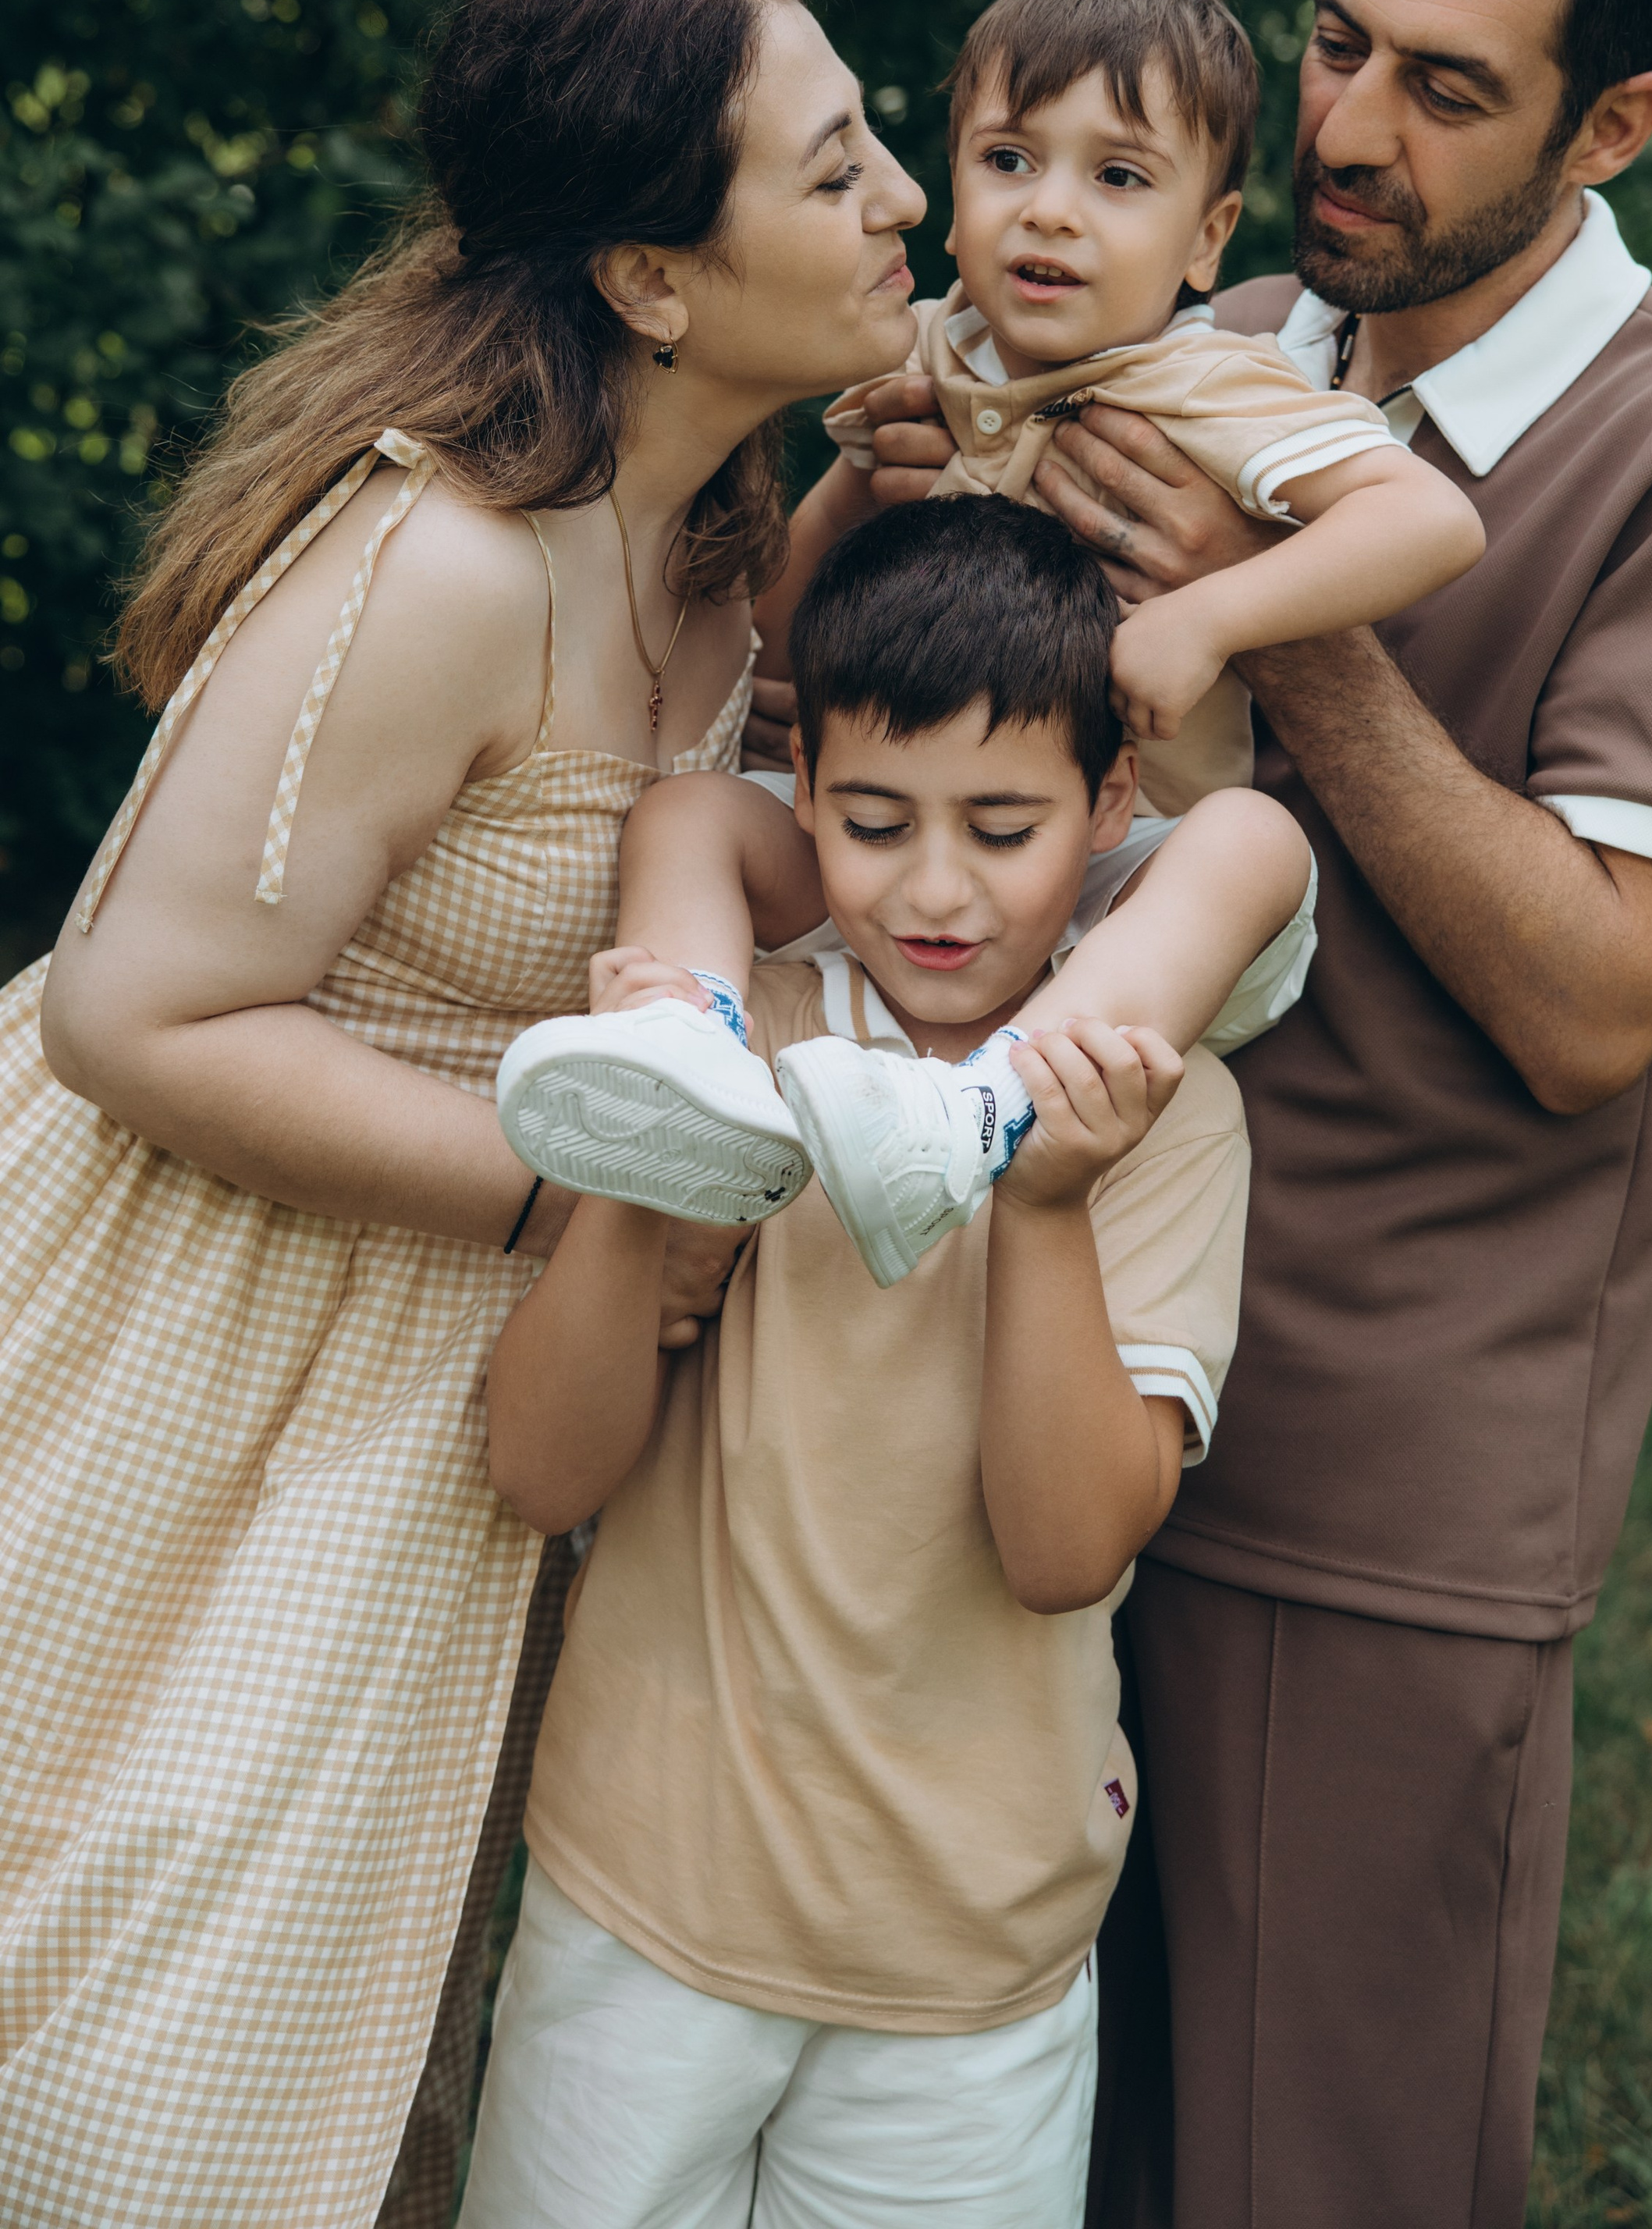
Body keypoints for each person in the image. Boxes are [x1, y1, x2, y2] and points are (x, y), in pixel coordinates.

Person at [819, 0, 1652, 2229]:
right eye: (1334, 43)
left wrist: (1290, 625)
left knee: (1311, 2169)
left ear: (1617, 126)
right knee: (1009, 2141)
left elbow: (1603, 1006)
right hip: (1019, 1377)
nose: (1353, 134)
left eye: (1452, 89)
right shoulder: (1209, 338)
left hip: (1373, 1475)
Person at [0, 0, 926, 2229]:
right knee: (121, 2037)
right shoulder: (442, 562)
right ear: (652, 278)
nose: (905, 194)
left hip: (451, 1370)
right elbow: (137, 1014)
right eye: (835, 172)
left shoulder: (718, 544)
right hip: (195, 1316)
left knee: (326, 2002)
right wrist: (587, 1201)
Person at [457, 497, 1252, 2229]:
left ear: (1111, 809)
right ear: (801, 789)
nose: (939, 888)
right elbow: (539, 1472)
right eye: (876, 823)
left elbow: (1062, 1554)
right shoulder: (758, 1042)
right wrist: (639, 1167)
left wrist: (1037, 1208)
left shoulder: (1164, 1121)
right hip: (645, 1905)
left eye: (1004, 826)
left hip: (967, 1958)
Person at [493, 0, 1481, 1284]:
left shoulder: (1207, 386)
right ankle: (679, 1044)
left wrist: (1211, 618)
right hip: (893, 860)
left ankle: (990, 1107)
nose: (1052, 214)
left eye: (1120, 178)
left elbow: (1429, 521)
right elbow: (777, 638)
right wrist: (850, 486)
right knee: (692, 812)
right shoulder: (920, 356)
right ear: (949, 199)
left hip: (1119, 902)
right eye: (1011, 161)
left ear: (1207, 239)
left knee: (1253, 844)